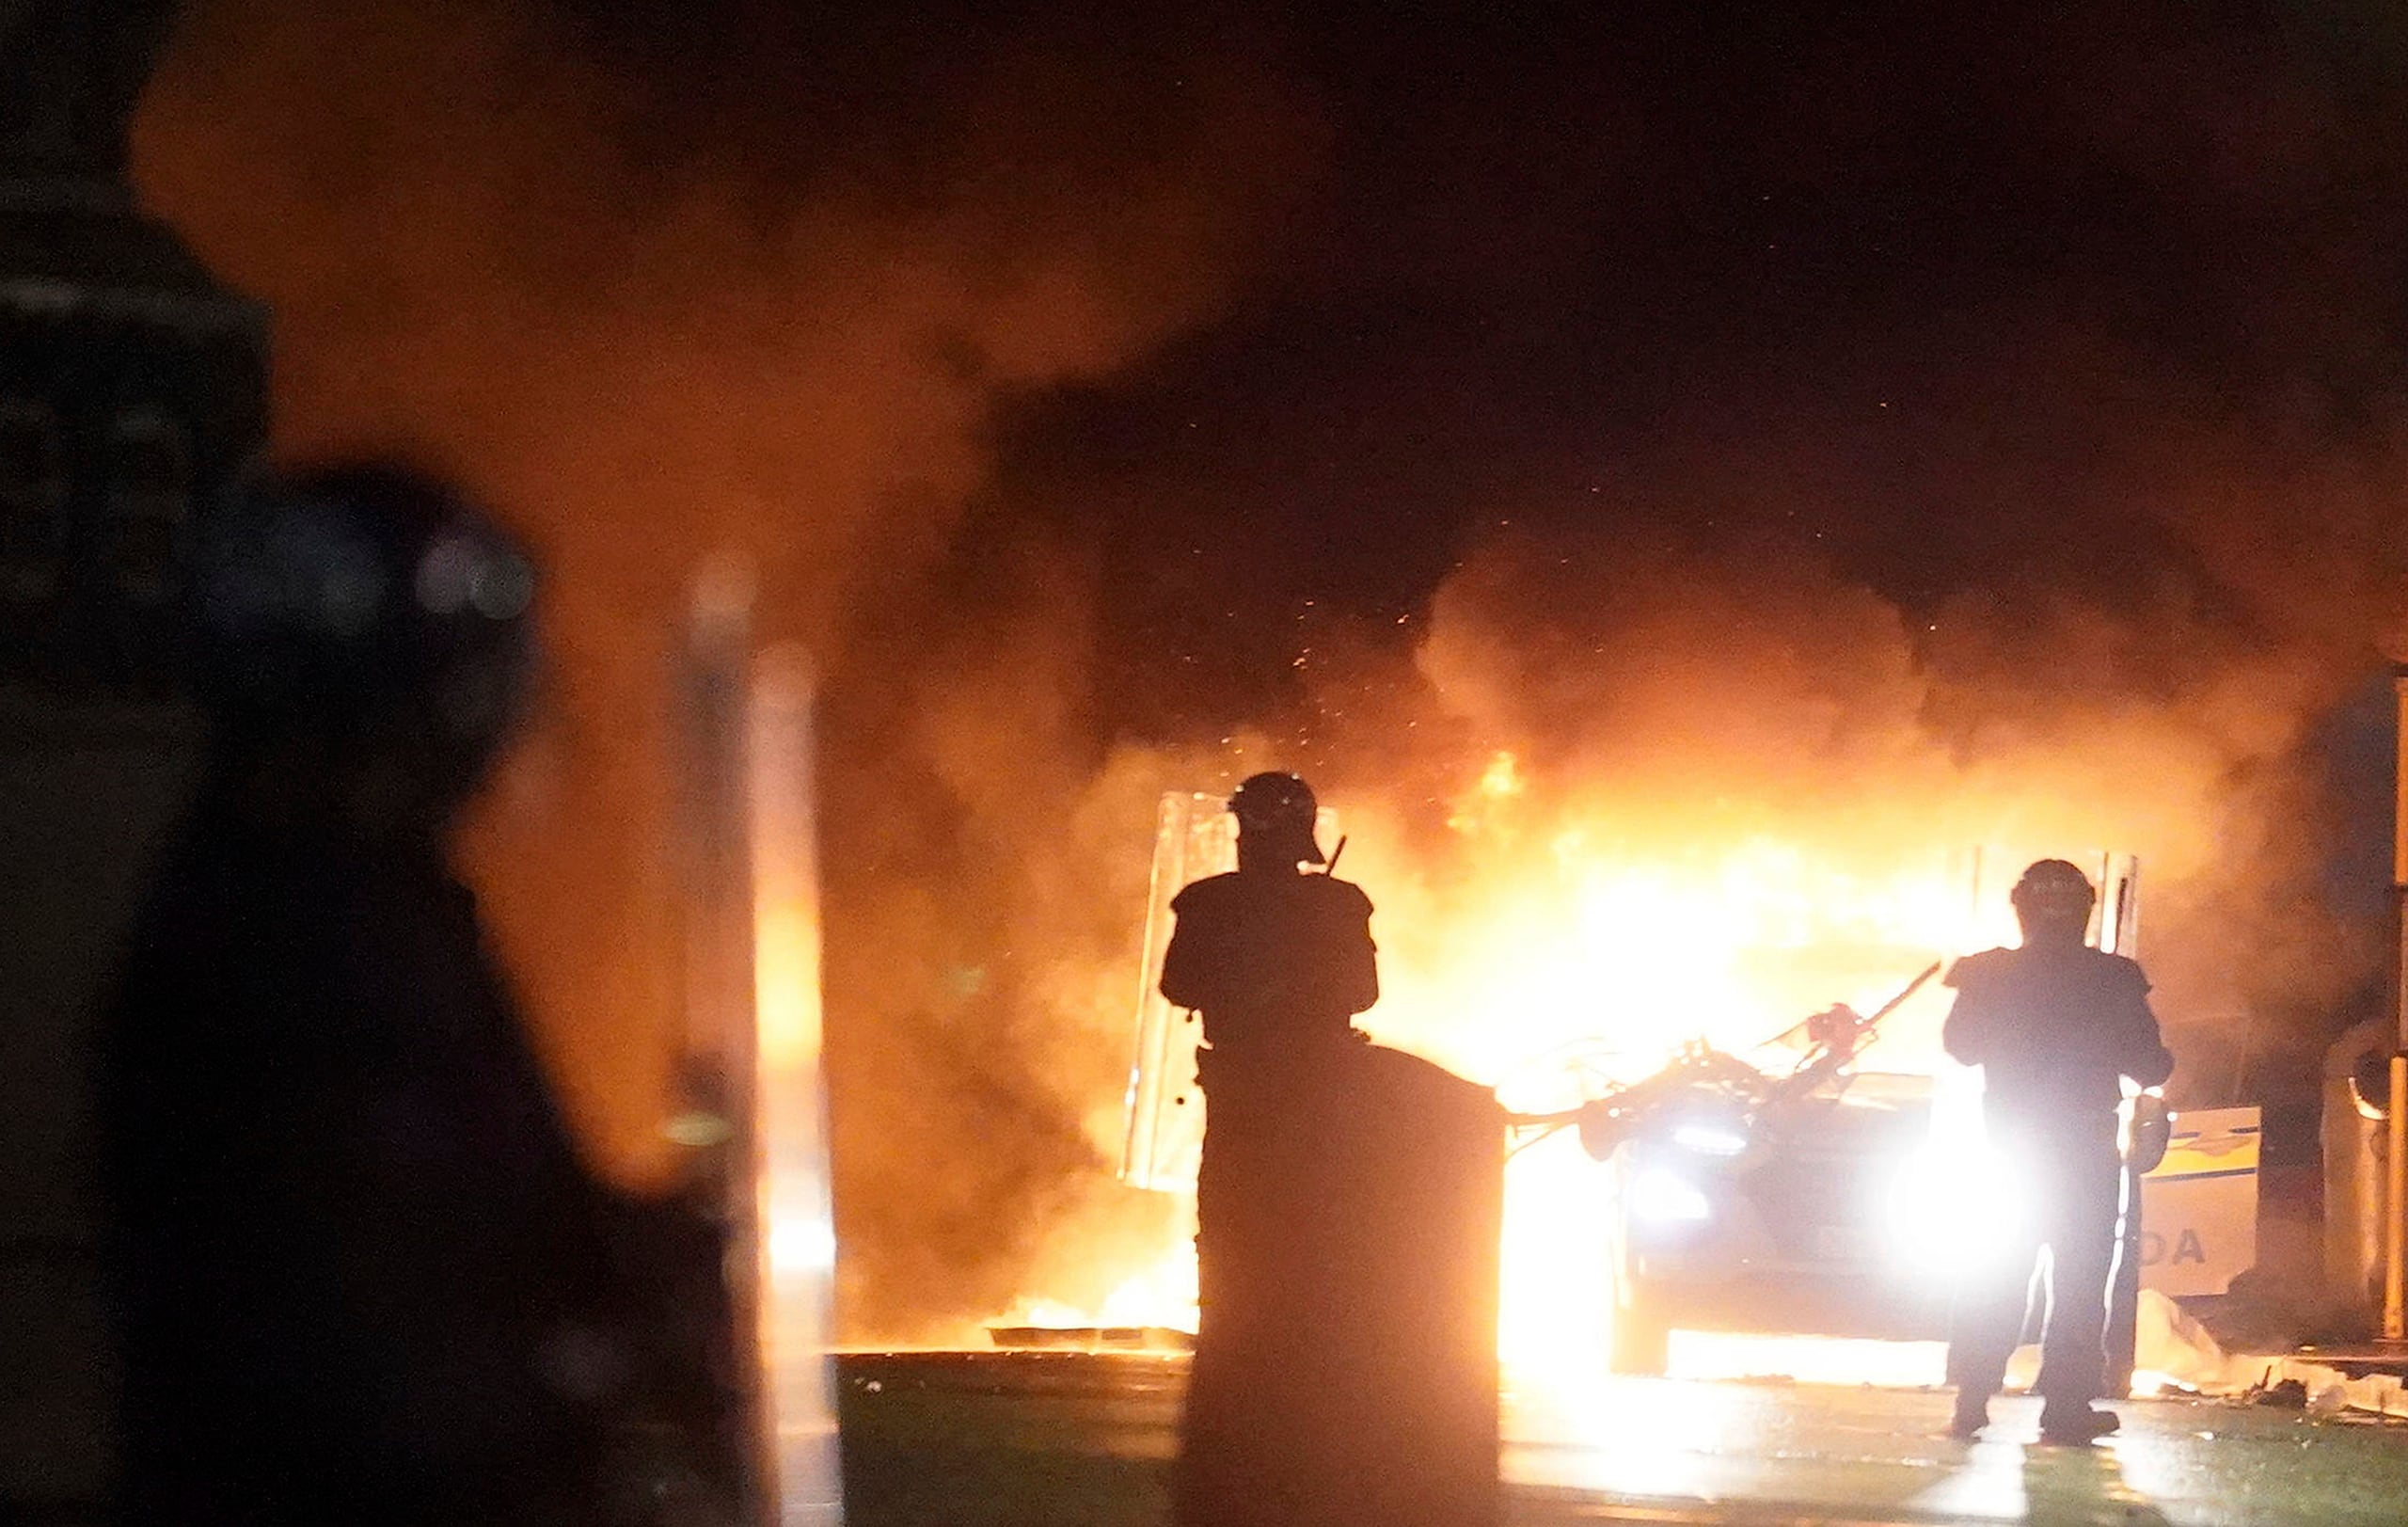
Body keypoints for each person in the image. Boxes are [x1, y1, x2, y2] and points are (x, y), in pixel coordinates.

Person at [100, 465, 736, 1527]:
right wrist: (585, 1358)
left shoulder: (360, 902)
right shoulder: (292, 945)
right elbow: (365, 1314)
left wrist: (637, 1255)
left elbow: (485, 1207)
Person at [1162, 771, 1500, 1527]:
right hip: (1309, 1092)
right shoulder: (1333, 902)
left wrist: (1259, 983)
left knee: (1234, 1215)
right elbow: (1361, 991)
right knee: (1311, 1218)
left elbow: (1179, 983)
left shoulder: (1212, 901)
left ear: (1243, 831)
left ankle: (1246, 1333)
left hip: (1251, 1087)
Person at [1941, 858, 2175, 1444]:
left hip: (2010, 1149)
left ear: (2020, 908)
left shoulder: (1987, 973)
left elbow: (1961, 1047)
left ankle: (1973, 1397)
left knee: (1997, 1271)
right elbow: (2151, 1063)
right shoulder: (2112, 977)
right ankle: (2065, 1409)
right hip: (2082, 1153)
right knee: (2078, 1280)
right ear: (2086, 910)